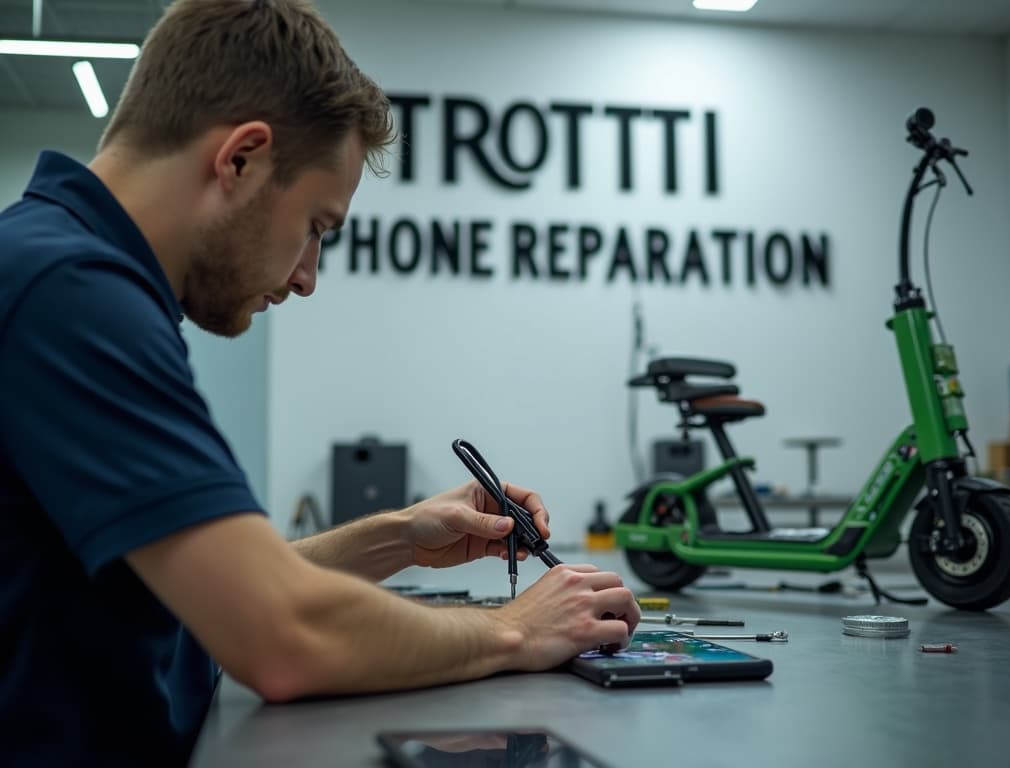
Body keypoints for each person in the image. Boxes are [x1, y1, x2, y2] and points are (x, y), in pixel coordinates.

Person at [0, 1, 640, 765]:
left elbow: (232, 589)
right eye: (316, 227)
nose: (307, 278)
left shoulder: (63, 274)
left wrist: (401, 536)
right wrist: (519, 630)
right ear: (241, 159)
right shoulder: (70, 294)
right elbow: (281, 636)